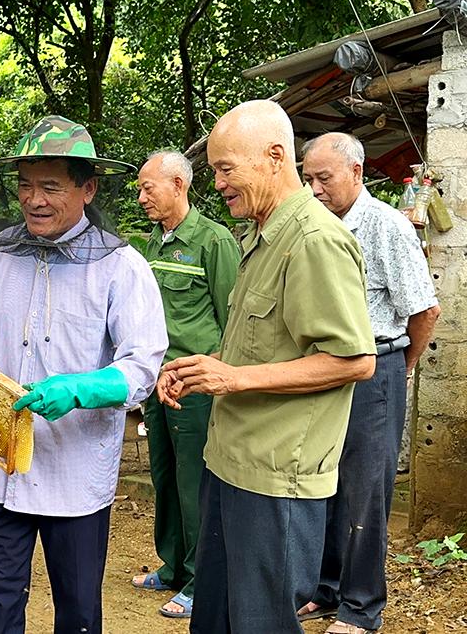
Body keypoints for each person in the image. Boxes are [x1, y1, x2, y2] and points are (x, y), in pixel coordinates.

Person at [0, 115, 168, 634]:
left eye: (50, 186)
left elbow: (141, 365)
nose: (34, 199)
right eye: (25, 185)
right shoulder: (0, 251)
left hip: (75, 470)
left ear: (87, 189)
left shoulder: (121, 267)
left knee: (78, 610)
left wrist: (79, 389)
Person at [158, 100, 376, 634]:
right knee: (215, 618)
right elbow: (261, 346)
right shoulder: (260, 234)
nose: (216, 184)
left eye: (225, 169)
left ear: (274, 157)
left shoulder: (314, 240)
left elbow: (354, 359)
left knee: (260, 623)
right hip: (230, 459)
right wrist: (203, 368)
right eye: (213, 170)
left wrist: (234, 379)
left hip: (276, 478)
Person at [299, 133, 440, 634]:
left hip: (376, 370)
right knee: (323, 484)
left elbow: (424, 309)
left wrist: (399, 366)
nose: (313, 188)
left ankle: (362, 607)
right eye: (307, 178)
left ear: (356, 173)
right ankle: (326, 588)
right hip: (322, 372)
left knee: (365, 494)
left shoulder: (385, 227)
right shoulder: (311, 226)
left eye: (324, 178)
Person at [130, 151, 239, 619]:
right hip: (155, 382)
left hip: (192, 388)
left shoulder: (213, 242)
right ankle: (173, 566)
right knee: (165, 476)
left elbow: (232, 322)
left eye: (147, 188)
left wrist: (204, 373)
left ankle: (200, 580)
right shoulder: (150, 245)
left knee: (196, 482)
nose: (141, 198)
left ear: (178, 184)